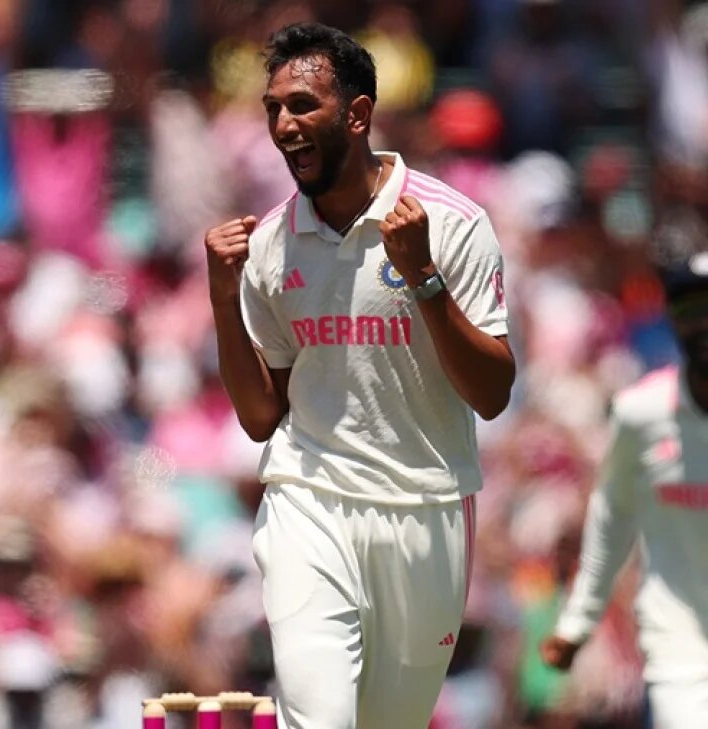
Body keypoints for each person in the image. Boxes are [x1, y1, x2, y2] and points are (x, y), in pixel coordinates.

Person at [203, 23, 515, 729]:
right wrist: (223, 299)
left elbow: (492, 394)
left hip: (426, 506)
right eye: (273, 108)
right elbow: (261, 417)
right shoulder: (271, 244)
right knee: (320, 717)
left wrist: (423, 276)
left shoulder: (452, 223)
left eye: (303, 105)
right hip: (309, 499)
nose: (284, 125)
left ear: (358, 114)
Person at [540, 254, 708, 729]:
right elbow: (612, 517)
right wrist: (578, 622)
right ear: (674, 322)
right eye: (693, 309)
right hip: (681, 650)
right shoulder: (642, 412)